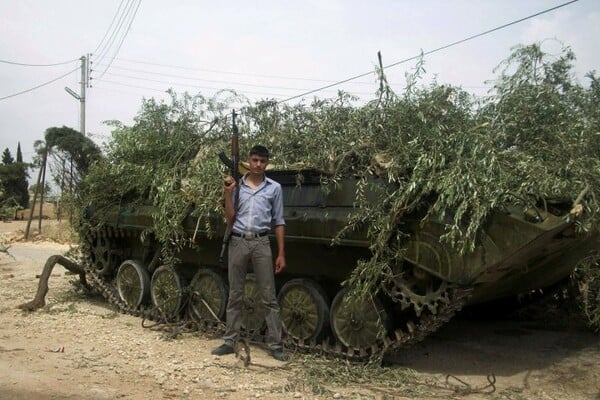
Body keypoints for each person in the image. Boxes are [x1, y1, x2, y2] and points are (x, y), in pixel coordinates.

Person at [211, 145, 288, 361]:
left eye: (262, 161)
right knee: (235, 294)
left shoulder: (275, 188)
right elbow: (230, 217)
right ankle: (229, 340)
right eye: (254, 160)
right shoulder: (237, 185)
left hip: (261, 242)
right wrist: (227, 194)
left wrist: (281, 253)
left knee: (268, 295)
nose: (258, 165)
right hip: (238, 241)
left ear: (267, 163)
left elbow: (279, 221)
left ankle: (275, 344)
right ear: (248, 161)